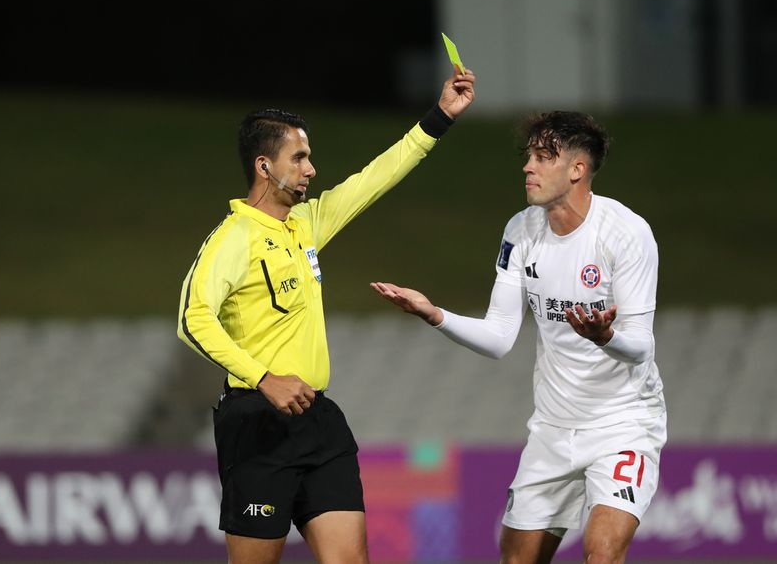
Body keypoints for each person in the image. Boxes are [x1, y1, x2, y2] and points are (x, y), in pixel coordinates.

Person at [176, 68, 476, 564]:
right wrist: (264, 378)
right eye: (299, 158)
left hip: (318, 422)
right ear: (264, 166)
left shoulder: (307, 223)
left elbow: (376, 176)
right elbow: (193, 319)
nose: (311, 169)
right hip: (257, 424)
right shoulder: (233, 239)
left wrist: (440, 116)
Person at [370, 111, 665, 564]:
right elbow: (500, 336)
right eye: (528, 155)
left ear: (577, 170)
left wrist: (605, 338)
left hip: (622, 425)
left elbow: (641, 346)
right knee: (516, 559)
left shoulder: (626, 234)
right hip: (552, 428)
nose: (528, 166)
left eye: (543, 156)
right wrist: (434, 315)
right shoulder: (520, 230)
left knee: (602, 552)